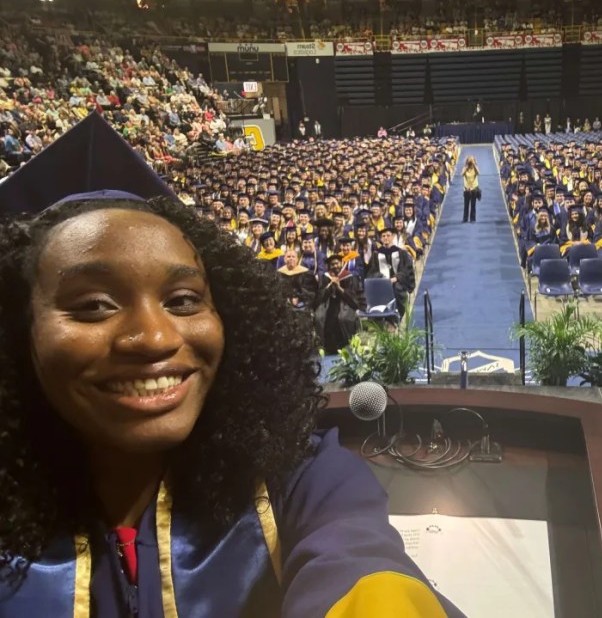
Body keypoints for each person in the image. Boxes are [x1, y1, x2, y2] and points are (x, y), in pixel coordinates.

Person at [0, 114, 462, 616]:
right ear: (16, 330)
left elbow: (364, 565)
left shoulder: (297, 478)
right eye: (94, 305)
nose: (155, 337)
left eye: (182, 300)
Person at [315, 254, 366, 354]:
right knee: (320, 317)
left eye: (337, 263)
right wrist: (330, 285)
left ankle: (347, 345)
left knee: (344, 318)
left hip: (345, 303)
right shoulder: (325, 277)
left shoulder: (349, 277)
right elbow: (320, 297)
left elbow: (353, 299)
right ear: (329, 266)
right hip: (328, 303)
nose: (335, 266)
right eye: (332, 264)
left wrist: (339, 288)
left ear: (341, 263)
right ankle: (327, 347)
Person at [366, 228, 416, 317]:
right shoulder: (376, 254)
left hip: (398, 283)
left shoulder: (401, 253)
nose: (386, 238)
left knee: (397, 289)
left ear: (392, 237)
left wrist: (396, 278)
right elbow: (371, 272)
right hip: (381, 284)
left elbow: (407, 270)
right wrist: (382, 278)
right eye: (383, 236)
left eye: (388, 236)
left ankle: (399, 316)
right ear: (380, 239)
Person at [462, 155, 479, 223]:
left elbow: (478, 173)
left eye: (472, 160)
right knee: (466, 205)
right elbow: (462, 174)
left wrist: (474, 165)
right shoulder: (465, 168)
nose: (471, 162)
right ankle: (465, 219)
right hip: (466, 188)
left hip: (474, 188)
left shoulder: (475, 168)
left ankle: (472, 218)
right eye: (469, 160)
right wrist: (466, 167)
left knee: (473, 204)